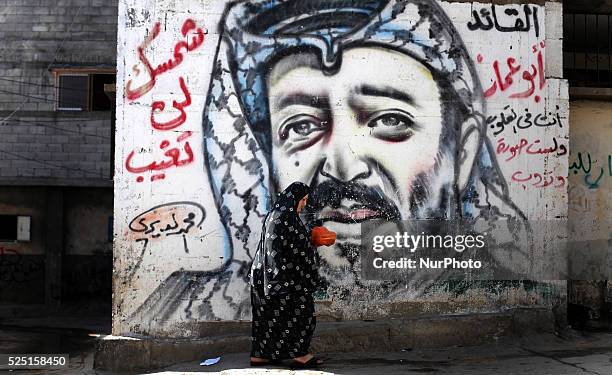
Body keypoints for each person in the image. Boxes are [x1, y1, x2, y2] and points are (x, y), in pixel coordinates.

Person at [203, 0, 527, 295]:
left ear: (462, 152)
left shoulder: (516, 300)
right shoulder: (185, 305)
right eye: (302, 126)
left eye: (389, 120)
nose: (343, 165)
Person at [249, 182, 330, 368]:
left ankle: (262, 356)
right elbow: (273, 250)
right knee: (301, 314)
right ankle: (300, 355)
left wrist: (311, 239)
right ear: (294, 199)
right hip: (279, 280)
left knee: (268, 320)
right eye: (302, 200)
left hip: (276, 279)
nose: (303, 205)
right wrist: (277, 282)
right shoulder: (280, 217)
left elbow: (290, 243)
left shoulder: (285, 216)